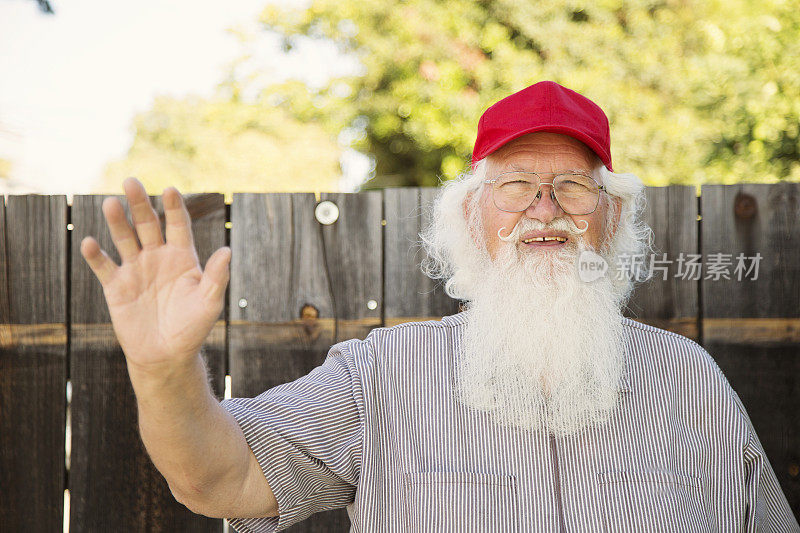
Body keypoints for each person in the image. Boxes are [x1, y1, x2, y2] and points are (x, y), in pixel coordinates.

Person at [80, 81, 799, 532]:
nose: (544, 209)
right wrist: (163, 371)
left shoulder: (689, 379)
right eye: (516, 184)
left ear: (611, 218)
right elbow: (219, 478)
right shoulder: (379, 375)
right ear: (468, 215)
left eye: (574, 187)